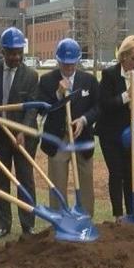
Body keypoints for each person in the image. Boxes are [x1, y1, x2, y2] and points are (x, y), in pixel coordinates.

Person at [0, 26, 40, 238]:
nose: (16, 57)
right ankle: (3, 224)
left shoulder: (31, 75)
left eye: (19, 52)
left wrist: (22, 132)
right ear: (3, 51)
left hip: (23, 136)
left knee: (25, 179)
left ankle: (28, 225)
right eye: (11, 53)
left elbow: (32, 107)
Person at [37, 38, 100, 215]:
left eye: (72, 64)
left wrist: (84, 120)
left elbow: (98, 107)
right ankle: (59, 219)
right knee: (57, 182)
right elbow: (42, 110)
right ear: (58, 61)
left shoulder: (89, 80)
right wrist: (58, 95)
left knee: (85, 180)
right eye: (65, 64)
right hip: (58, 139)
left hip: (82, 138)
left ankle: (86, 218)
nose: (69, 68)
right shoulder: (47, 81)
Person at [96, 35, 134, 218]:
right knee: (116, 172)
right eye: (133, 58)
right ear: (124, 55)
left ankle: (132, 213)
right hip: (110, 133)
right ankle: (118, 215)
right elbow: (104, 104)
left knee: (130, 172)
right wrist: (126, 96)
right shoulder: (109, 74)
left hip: (130, 134)